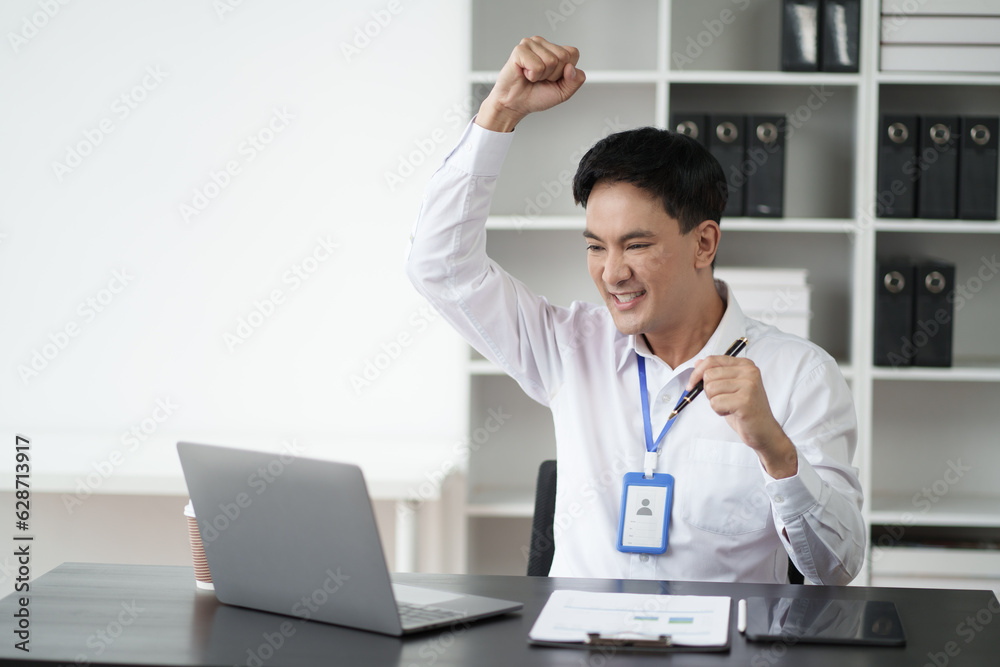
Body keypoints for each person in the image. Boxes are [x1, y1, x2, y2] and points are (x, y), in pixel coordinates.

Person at [406, 37, 864, 584]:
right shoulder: (567, 347)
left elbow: (835, 572)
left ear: (704, 244)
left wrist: (776, 451)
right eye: (596, 246)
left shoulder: (800, 376)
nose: (612, 272)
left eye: (637, 245)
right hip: (577, 645)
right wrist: (499, 112)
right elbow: (438, 265)